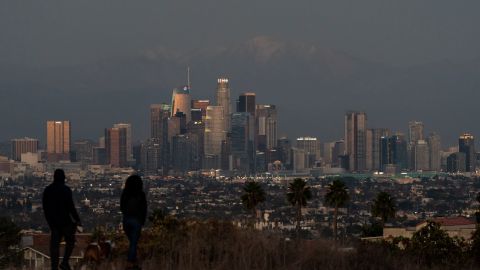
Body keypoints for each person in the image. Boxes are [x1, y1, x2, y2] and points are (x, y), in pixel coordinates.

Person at [42, 169, 81, 270]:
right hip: (65, 222)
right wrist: (77, 219)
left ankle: (54, 267)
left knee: (54, 246)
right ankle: (64, 262)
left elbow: (45, 209)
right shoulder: (66, 190)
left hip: (54, 223)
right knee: (71, 241)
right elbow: (71, 207)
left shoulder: (48, 190)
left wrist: (50, 222)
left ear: (54, 177)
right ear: (63, 178)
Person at [120, 175, 147, 269]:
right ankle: (131, 262)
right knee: (134, 243)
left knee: (132, 242)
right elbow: (144, 209)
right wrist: (142, 221)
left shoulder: (125, 193)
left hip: (126, 220)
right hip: (136, 221)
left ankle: (134, 260)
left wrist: (126, 214)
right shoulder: (141, 194)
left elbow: (121, 207)